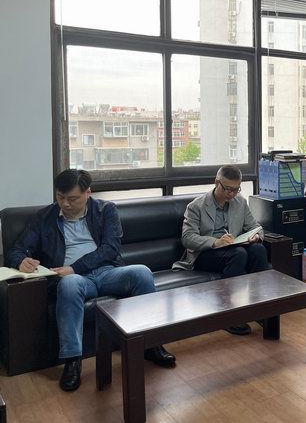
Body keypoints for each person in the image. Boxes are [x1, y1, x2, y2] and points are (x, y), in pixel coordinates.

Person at [6, 169, 176, 392]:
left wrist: (74, 267)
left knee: (142, 272)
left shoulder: (105, 210)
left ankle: (150, 344)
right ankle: (72, 361)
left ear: (88, 193)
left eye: (72, 198)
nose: (65, 204)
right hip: (75, 279)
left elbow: (110, 248)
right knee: (69, 284)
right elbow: (16, 249)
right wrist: (21, 261)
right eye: (60, 197)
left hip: (107, 272)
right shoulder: (45, 217)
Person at [176, 165, 270, 335]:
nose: (232, 194)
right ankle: (229, 315)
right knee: (239, 254)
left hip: (232, 249)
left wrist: (256, 236)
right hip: (205, 254)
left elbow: (255, 227)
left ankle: (259, 309)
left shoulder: (240, 202)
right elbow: (187, 238)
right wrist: (215, 242)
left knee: (258, 250)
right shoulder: (196, 206)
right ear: (216, 182)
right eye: (228, 189)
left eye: (236, 189)